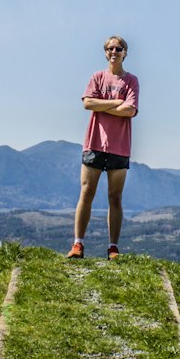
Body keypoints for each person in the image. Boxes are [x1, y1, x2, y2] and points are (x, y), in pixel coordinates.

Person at [68, 35, 139, 259]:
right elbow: (87, 103)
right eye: (110, 48)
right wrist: (116, 103)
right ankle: (78, 244)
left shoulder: (131, 81)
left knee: (115, 197)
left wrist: (102, 106)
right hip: (94, 144)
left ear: (125, 52)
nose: (114, 51)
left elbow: (130, 110)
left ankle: (113, 247)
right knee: (86, 192)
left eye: (118, 48)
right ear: (105, 52)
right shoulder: (97, 77)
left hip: (119, 146)